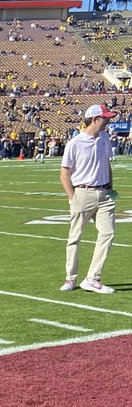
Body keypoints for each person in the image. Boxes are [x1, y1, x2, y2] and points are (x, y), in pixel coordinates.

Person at [59, 103, 117, 294]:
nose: (108, 121)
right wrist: (73, 197)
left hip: (104, 194)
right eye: (105, 118)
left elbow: (107, 164)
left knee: (107, 233)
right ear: (94, 120)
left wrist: (110, 186)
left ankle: (93, 278)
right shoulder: (74, 143)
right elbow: (64, 173)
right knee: (75, 236)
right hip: (82, 192)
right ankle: (71, 278)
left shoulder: (105, 139)